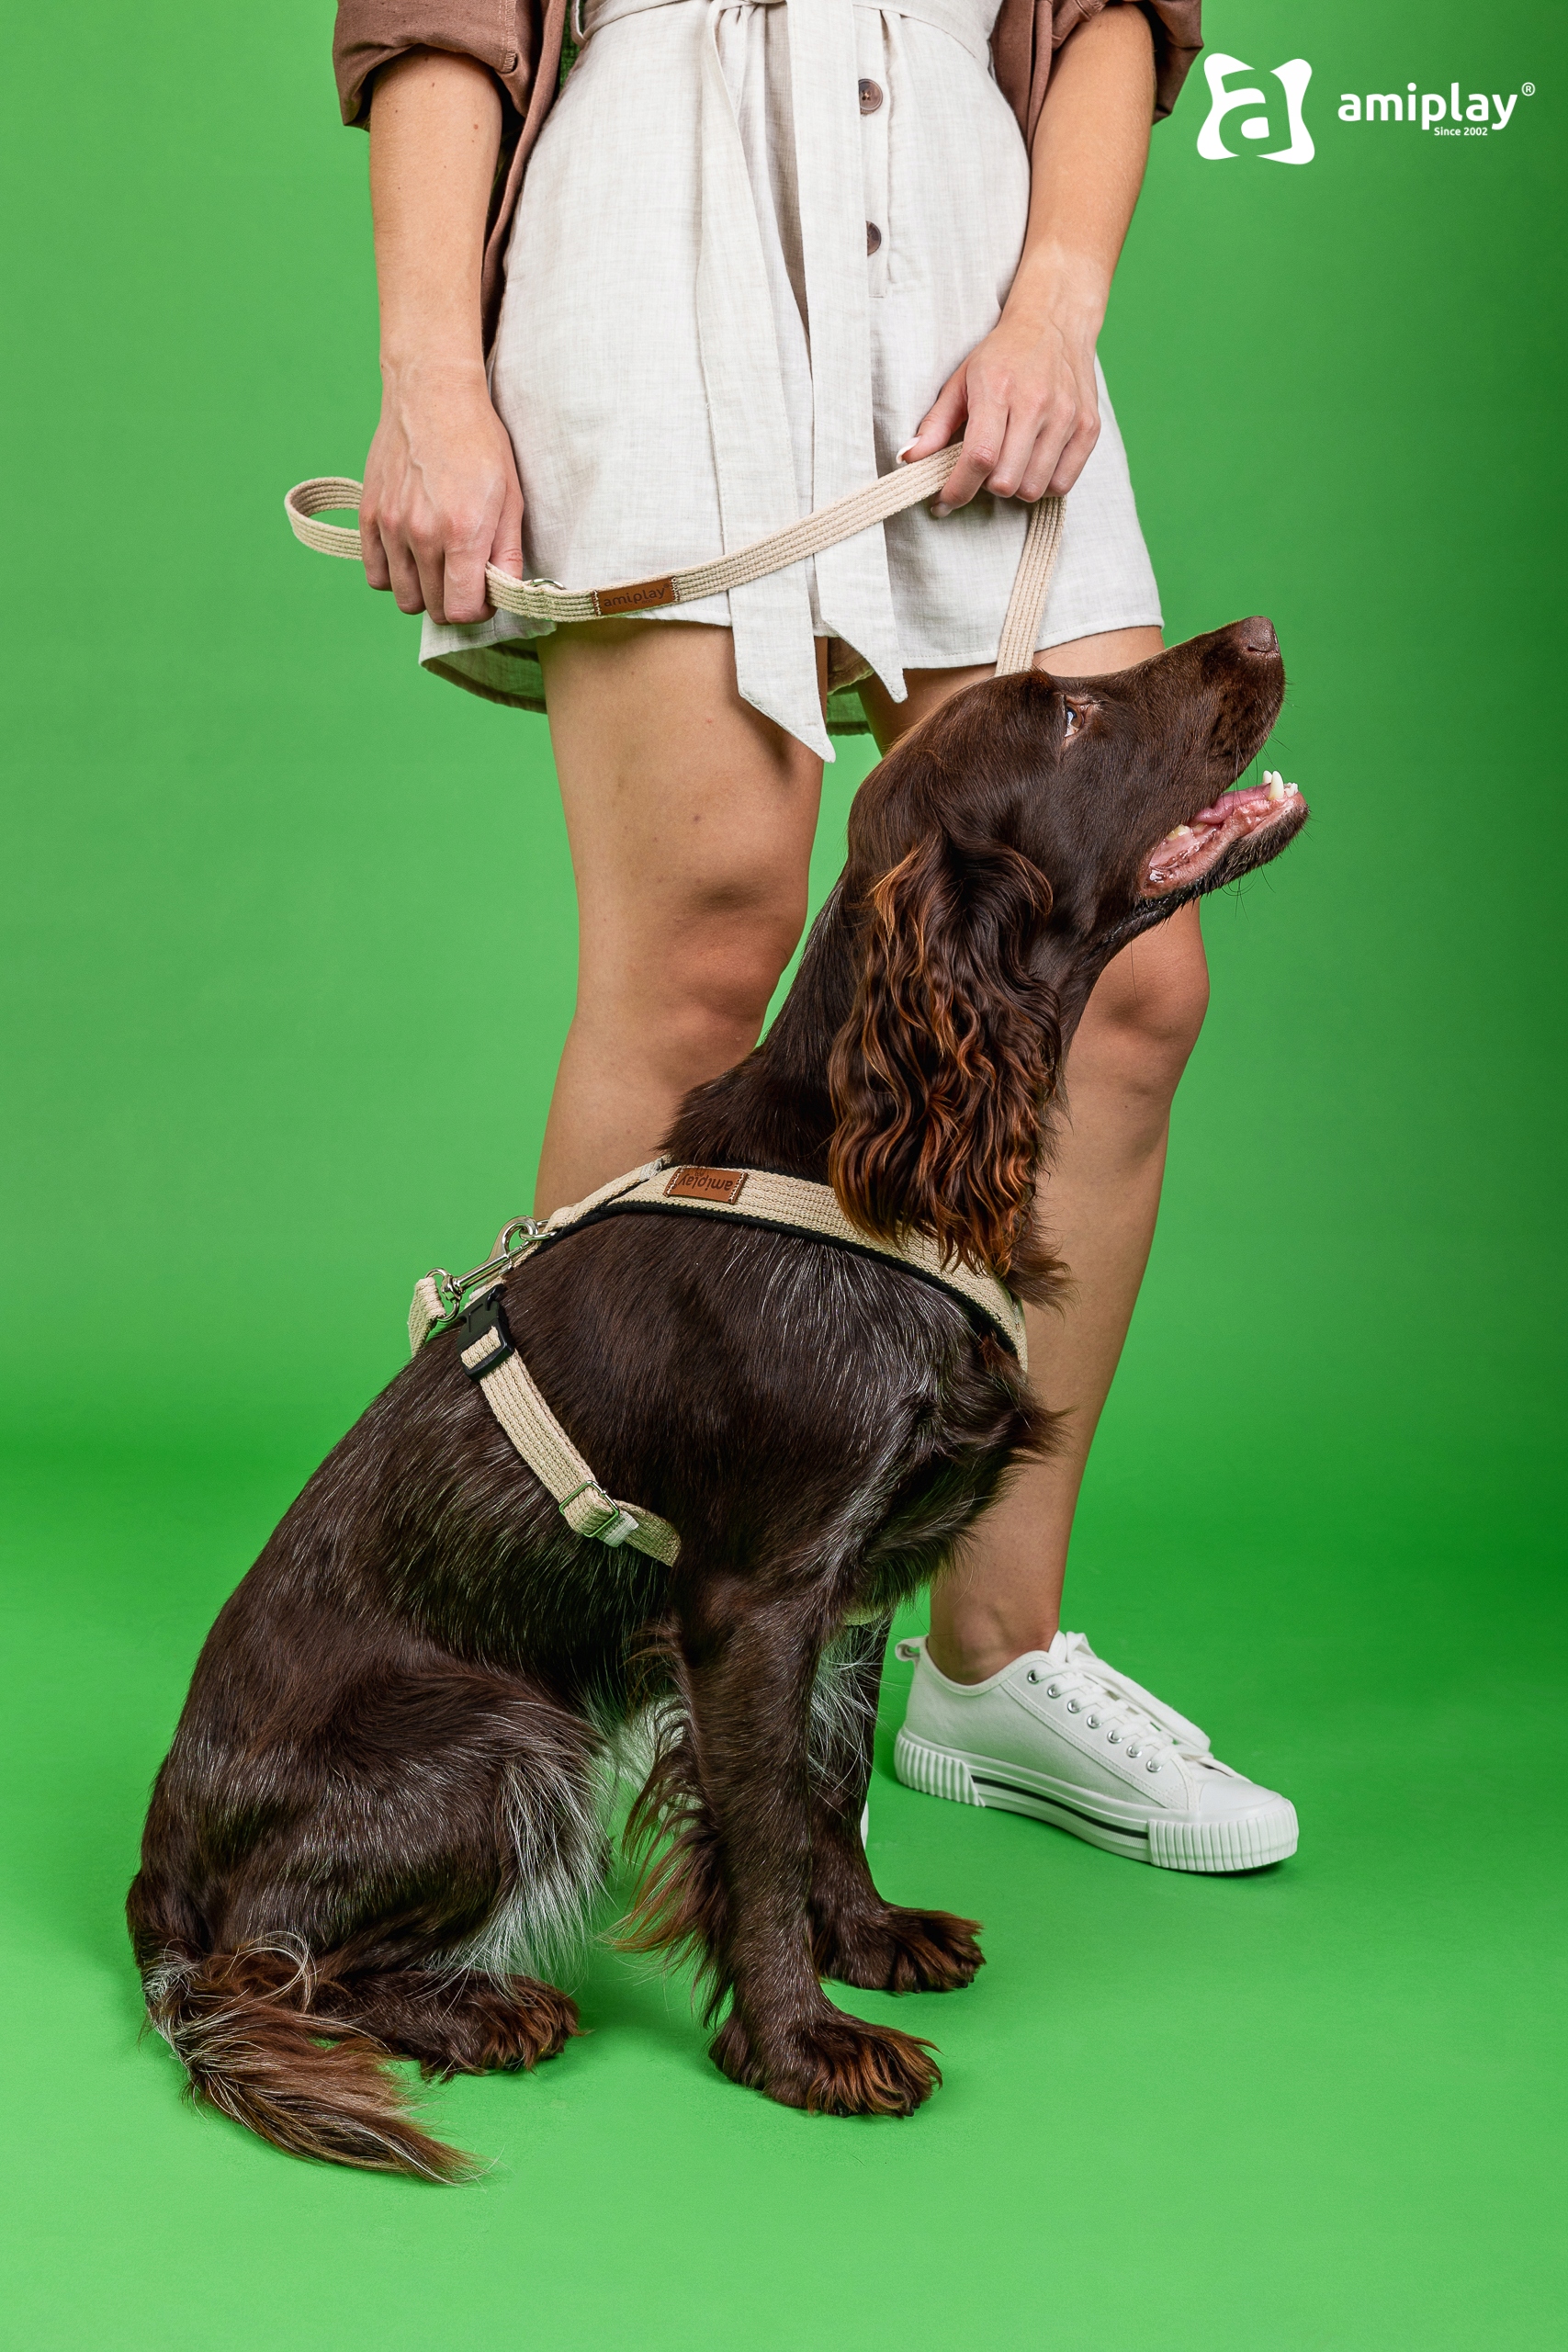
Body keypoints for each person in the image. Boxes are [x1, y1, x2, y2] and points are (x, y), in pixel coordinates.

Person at [329, 0, 1298, 1872]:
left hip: (962, 229)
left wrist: (1056, 298)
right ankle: (610, 1653)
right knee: (697, 954)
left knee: (1126, 983)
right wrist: (431, 370)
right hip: (655, 220)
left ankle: (992, 1657)